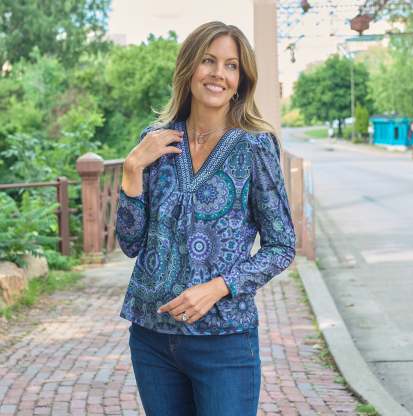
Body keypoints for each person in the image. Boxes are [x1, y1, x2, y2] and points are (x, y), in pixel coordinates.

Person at [116, 21, 296, 416]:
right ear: (189, 68)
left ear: (240, 81)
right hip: (151, 338)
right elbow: (130, 243)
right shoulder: (155, 141)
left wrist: (219, 287)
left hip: (225, 340)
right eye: (208, 61)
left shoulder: (255, 146)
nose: (218, 73)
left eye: (231, 66)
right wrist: (131, 170)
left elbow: (282, 246)